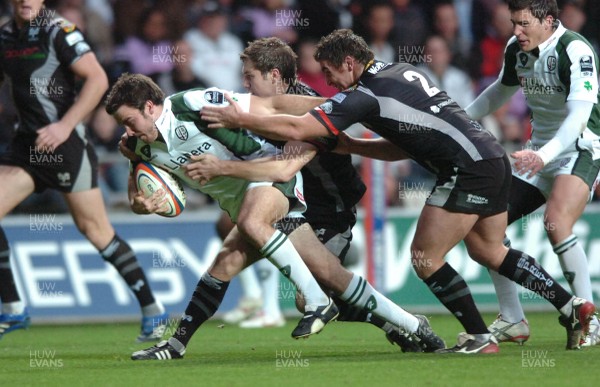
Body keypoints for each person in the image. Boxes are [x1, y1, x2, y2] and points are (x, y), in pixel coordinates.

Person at [201, 28, 597, 353]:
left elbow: (298, 129)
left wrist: (240, 116)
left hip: (466, 170)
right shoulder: (399, 72)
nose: (329, 82)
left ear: (349, 64)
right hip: (490, 157)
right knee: (489, 250)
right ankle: (572, 305)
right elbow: (401, 145)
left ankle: (479, 338)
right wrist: (355, 146)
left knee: (424, 257)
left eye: (330, 71)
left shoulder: (364, 95)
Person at [105, 73, 444, 360]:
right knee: (258, 267)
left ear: (150, 107)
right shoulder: (136, 147)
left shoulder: (192, 104)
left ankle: (316, 302)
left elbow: (271, 106)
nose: (127, 131)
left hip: (267, 177)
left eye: (129, 121)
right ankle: (414, 326)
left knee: (254, 224)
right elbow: (139, 193)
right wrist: (142, 205)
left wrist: (347, 107)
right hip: (243, 203)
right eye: (123, 125)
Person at [188, 36, 437, 350]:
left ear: (275, 77)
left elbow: (283, 168)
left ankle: (400, 322)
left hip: (328, 210)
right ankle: (179, 341)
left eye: (250, 76)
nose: (244, 84)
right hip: (294, 206)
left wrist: (222, 168)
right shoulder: (263, 108)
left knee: (311, 297)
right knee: (232, 250)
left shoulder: (307, 115)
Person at [0, 0, 167, 341]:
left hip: (65, 146)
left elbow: (97, 78)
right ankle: (14, 308)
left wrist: (64, 126)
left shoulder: (57, 30)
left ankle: (154, 311)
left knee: (96, 231)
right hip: (26, 147)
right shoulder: (5, 35)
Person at [464, 0, 600, 346]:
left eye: (523, 24)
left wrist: (546, 155)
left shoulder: (576, 50)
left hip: (580, 147)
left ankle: (590, 320)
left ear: (548, 21)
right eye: (513, 23)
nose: (515, 31)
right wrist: (460, 119)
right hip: (537, 152)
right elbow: (501, 90)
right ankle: (513, 319)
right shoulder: (517, 49)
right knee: (484, 225)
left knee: (555, 223)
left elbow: (578, 118)